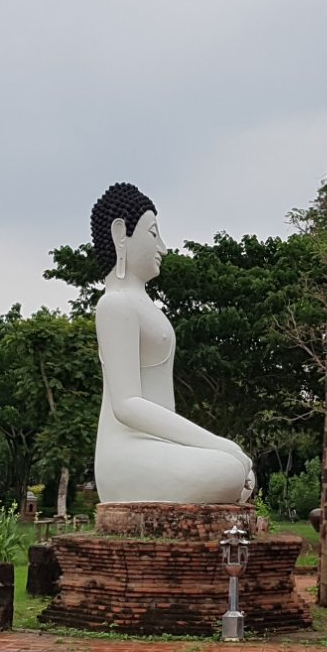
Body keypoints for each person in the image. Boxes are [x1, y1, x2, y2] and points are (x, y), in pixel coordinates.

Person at [88, 183, 255, 505]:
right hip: (126, 452)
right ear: (121, 232)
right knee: (228, 468)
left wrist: (211, 447)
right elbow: (126, 405)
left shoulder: (142, 306)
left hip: (159, 448)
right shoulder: (115, 305)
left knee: (236, 468)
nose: (162, 247)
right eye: (153, 234)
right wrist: (218, 443)